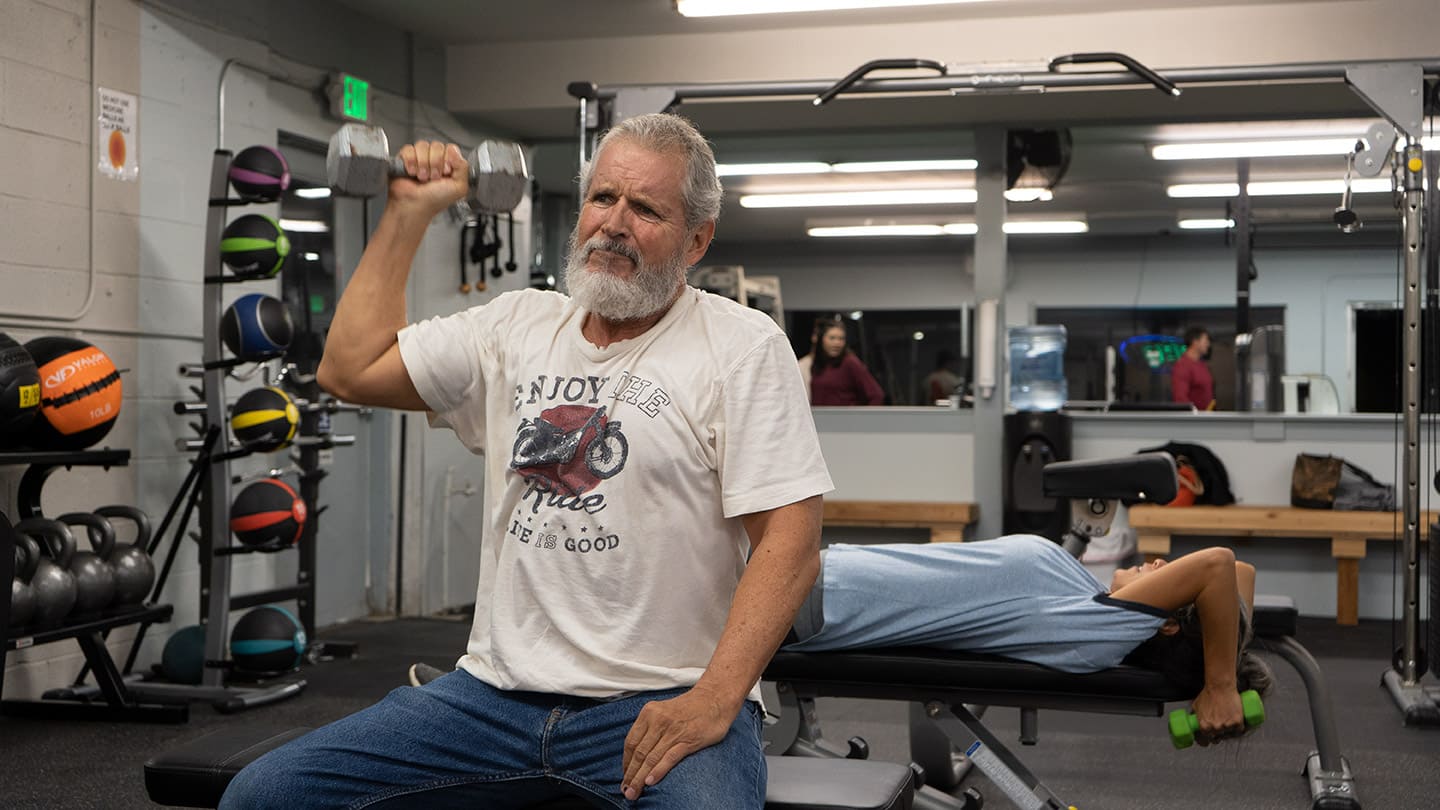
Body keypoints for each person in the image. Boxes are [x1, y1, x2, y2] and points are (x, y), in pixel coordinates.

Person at [220, 113, 832, 809]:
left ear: (697, 239)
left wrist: (715, 699)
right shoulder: (515, 326)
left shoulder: (742, 347)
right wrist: (408, 212)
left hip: (660, 701)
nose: (614, 224)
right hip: (491, 700)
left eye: (646, 209)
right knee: (265, 796)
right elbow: (349, 369)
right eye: (603, 198)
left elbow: (791, 543)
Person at [783, 535, 1271, 744]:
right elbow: (1241, 573)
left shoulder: (1100, 627)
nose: (1161, 563)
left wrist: (1222, 686)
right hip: (819, 576)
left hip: (815, 601)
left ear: (1164, 623)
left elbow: (1218, 565)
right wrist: (1226, 667)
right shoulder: (1090, 600)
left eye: (1167, 575)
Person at [806, 317, 885, 406]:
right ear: (821, 339)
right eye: (832, 338)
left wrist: (865, 415)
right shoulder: (818, 363)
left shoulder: (850, 362)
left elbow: (876, 395)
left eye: (841, 339)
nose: (837, 343)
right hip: (819, 414)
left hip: (845, 414)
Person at [1172, 326, 1215, 411]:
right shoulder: (1183, 366)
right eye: (1205, 341)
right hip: (1194, 418)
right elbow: (1180, 399)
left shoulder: (1202, 365)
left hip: (1207, 416)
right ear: (1195, 342)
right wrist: (1194, 415)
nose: (1208, 344)